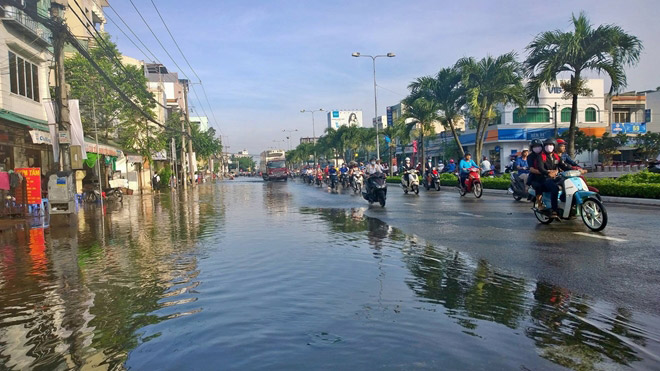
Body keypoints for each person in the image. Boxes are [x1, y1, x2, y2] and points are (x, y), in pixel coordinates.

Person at [530, 138, 571, 219]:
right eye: (547, 145)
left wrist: (577, 169)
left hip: (555, 177)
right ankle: (554, 210)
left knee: (566, 184)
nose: (549, 147)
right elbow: (541, 168)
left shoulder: (556, 157)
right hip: (544, 179)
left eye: (551, 145)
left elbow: (564, 165)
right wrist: (548, 172)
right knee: (554, 188)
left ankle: (565, 203)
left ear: (554, 146)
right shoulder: (541, 156)